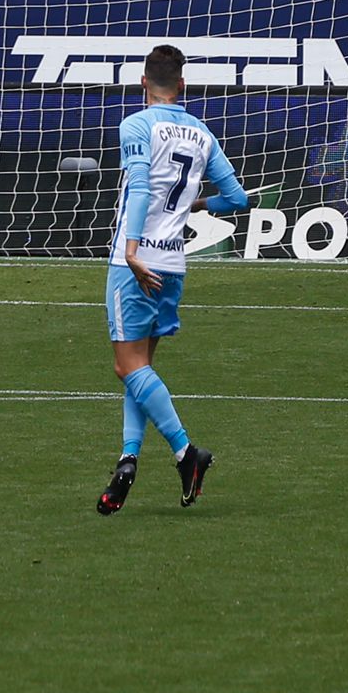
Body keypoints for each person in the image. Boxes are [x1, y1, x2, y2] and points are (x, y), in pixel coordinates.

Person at [97, 45, 249, 516]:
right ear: (182, 84)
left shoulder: (137, 125)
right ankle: (127, 461)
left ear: (144, 82)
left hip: (136, 262)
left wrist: (131, 248)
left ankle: (187, 454)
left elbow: (140, 186)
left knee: (128, 367)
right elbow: (238, 198)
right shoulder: (202, 134)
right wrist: (196, 206)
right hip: (175, 265)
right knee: (142, 369)